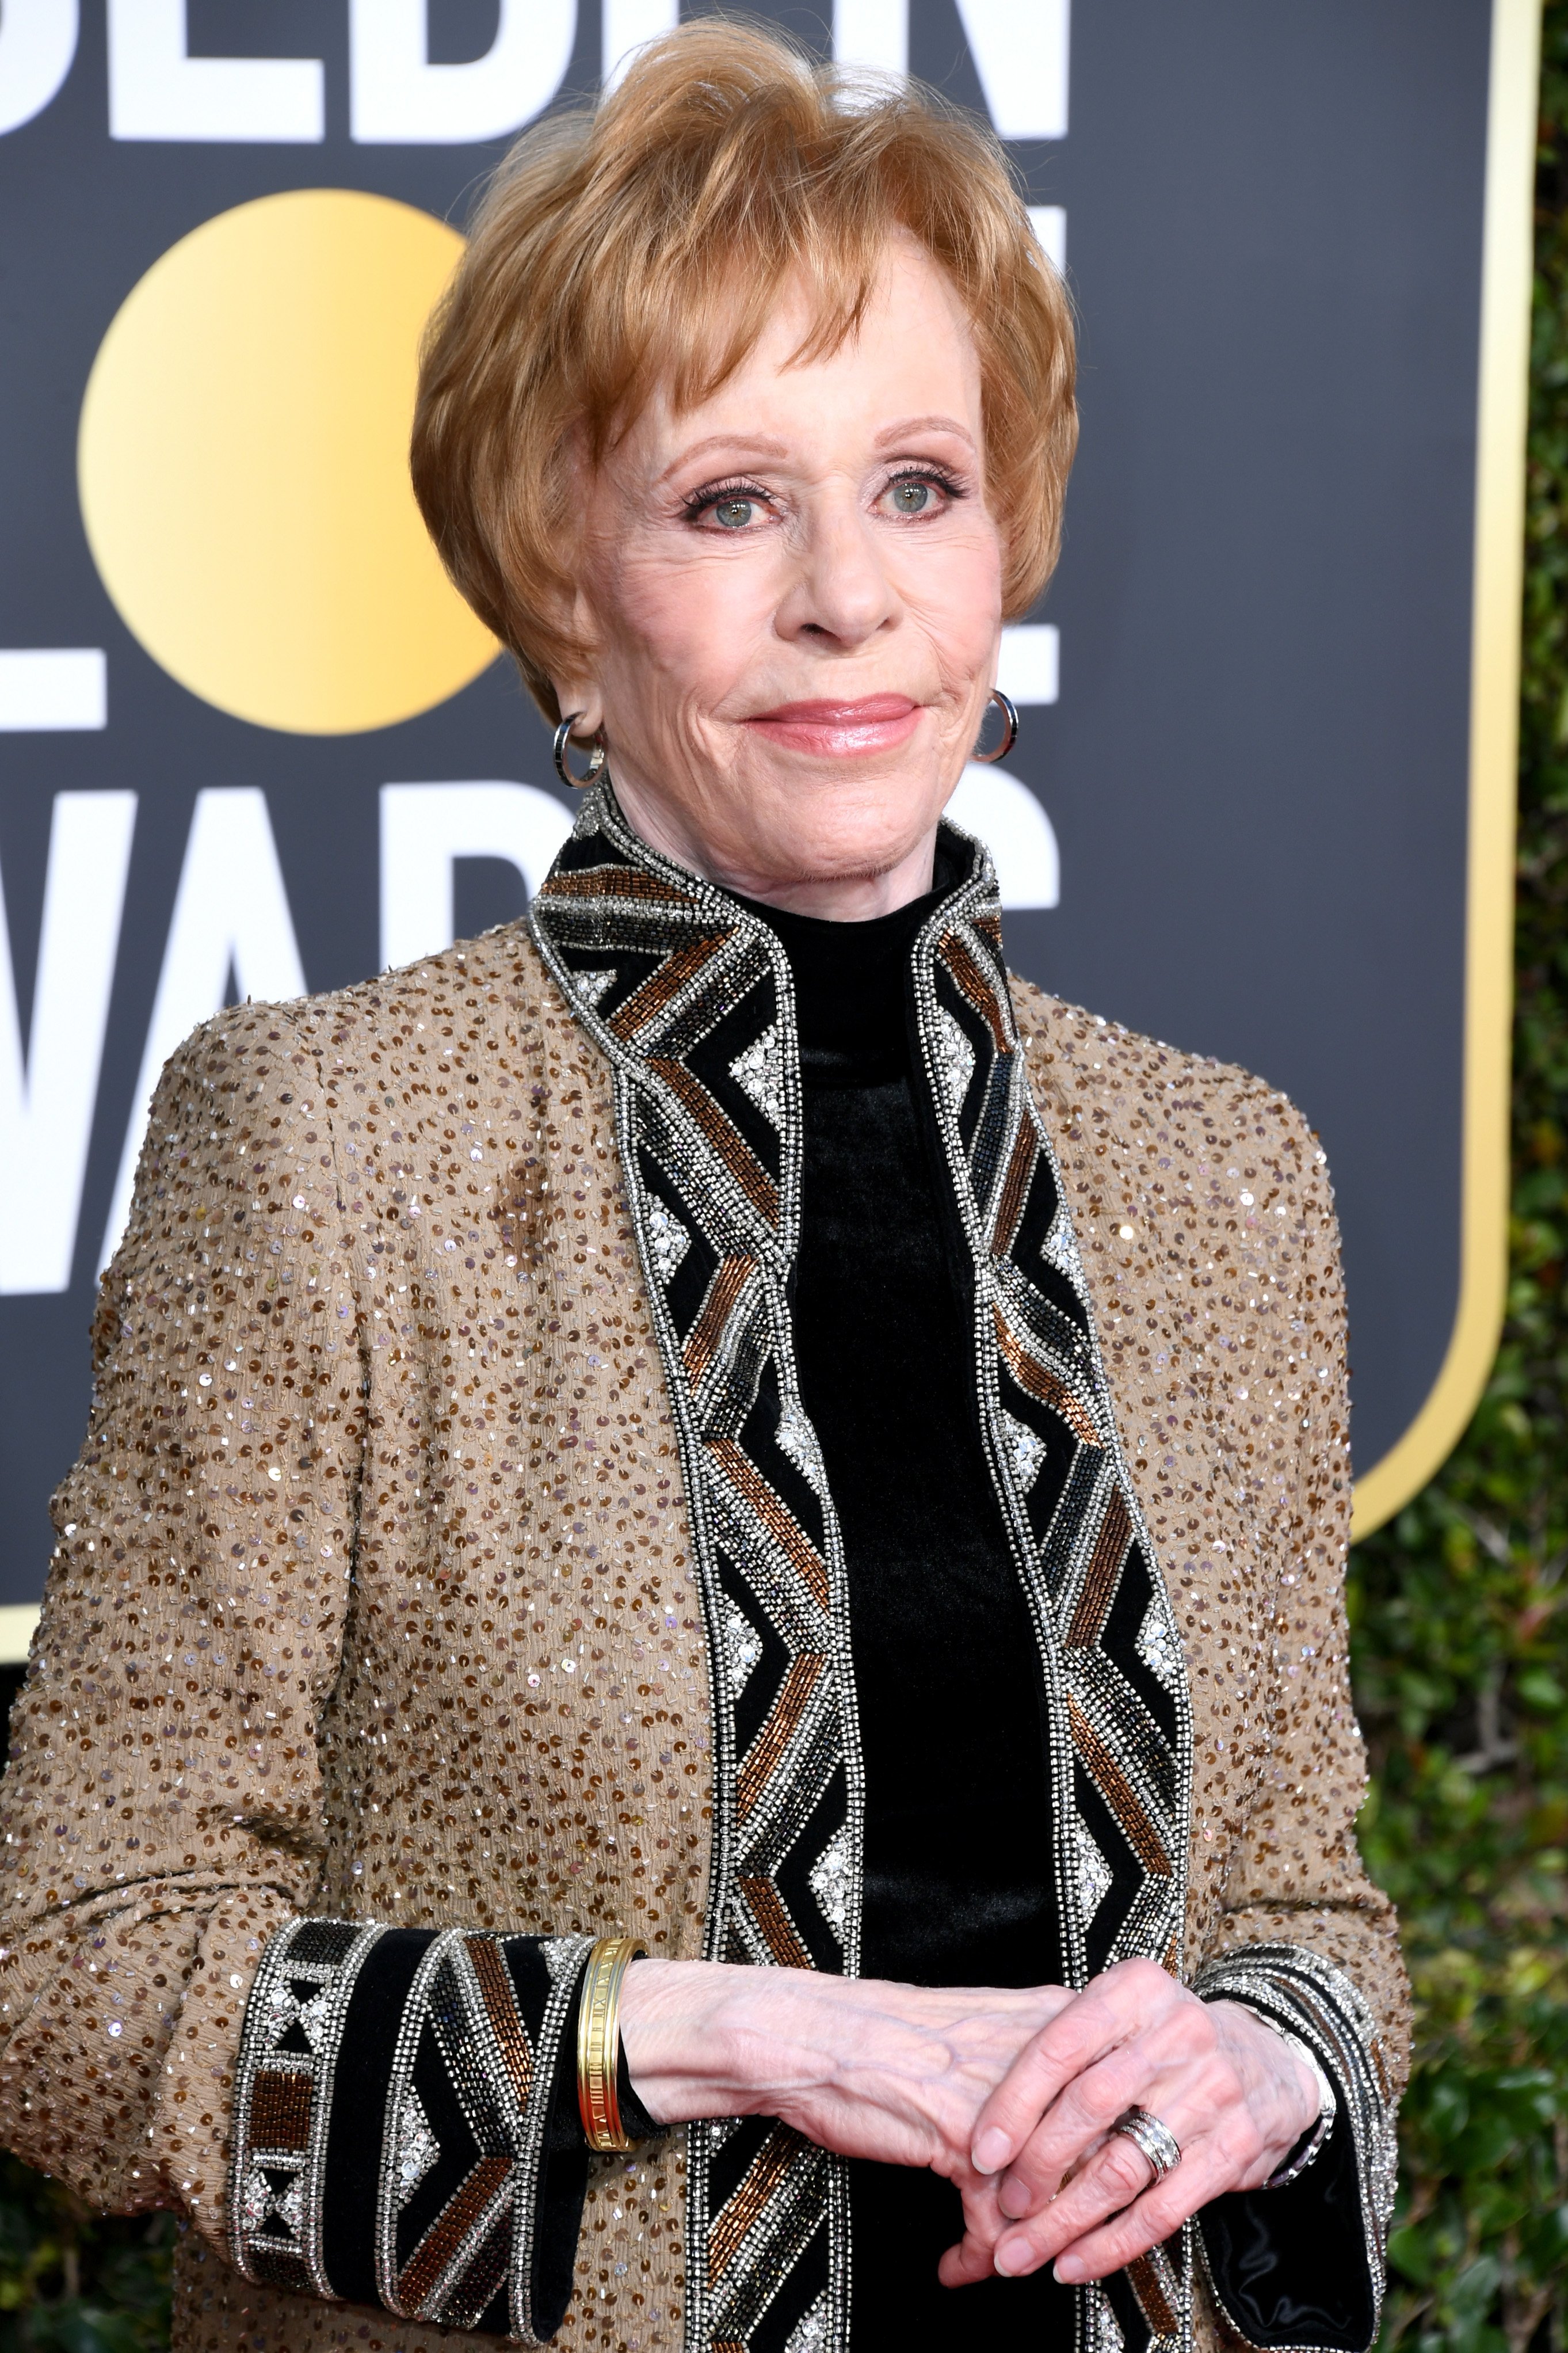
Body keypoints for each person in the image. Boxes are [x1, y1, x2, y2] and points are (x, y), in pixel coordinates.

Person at [0, 25, 1406, 2353]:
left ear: (1008, 542)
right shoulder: (328, 1145)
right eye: (731, 501)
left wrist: (1263, 2052)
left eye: (921, 486)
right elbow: (74, 1971)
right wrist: (711, 2029)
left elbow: (1310, 1912)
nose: (848, 597)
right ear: (566, 583)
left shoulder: (1219, 1175)